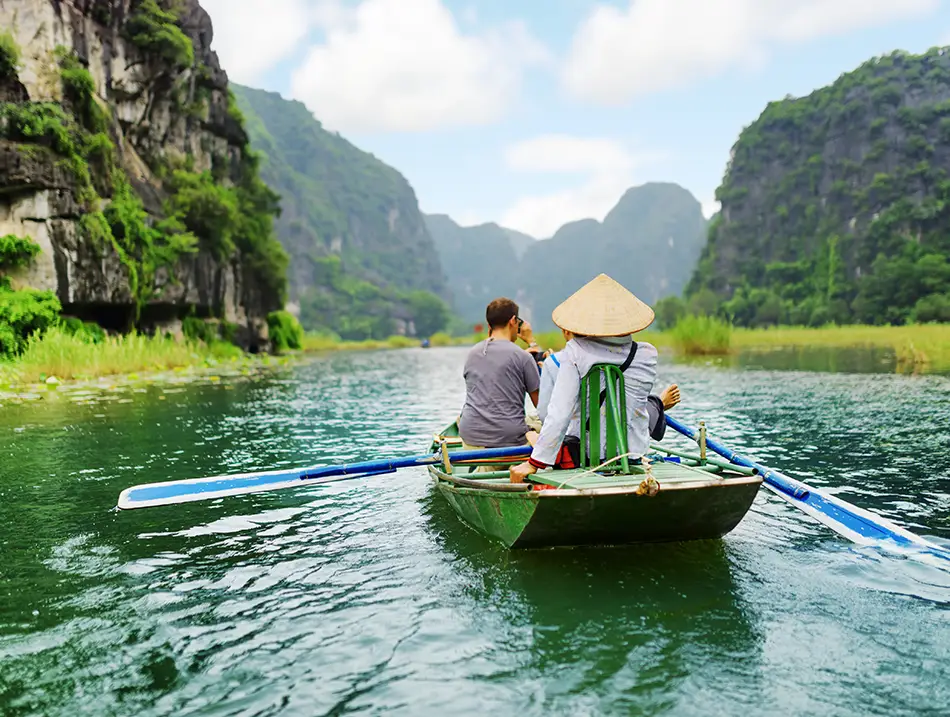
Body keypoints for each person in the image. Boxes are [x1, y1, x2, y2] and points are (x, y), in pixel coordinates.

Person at [510, 274, 677, 483]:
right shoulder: (647, 354)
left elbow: (559, 412)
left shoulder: (575, 352)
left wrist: (534, 463)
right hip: (635, 455)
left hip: (587, 456)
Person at [458, 298, 542, 457]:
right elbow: (542, 407)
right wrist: (532, 343)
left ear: (489, 325)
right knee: (538, 421)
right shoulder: (523, 357)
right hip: (509, 441)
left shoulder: (472, 353)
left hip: (469, 438)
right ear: (513, 321)